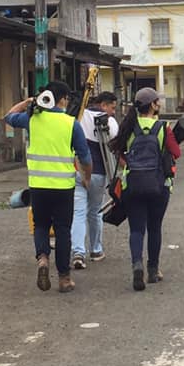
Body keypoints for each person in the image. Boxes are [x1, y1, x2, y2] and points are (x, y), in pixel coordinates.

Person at [5, 81, 92, 293]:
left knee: (41, 226)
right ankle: (64, 278)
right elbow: (85, 157)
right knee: (63, 230)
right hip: (63, 188)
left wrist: (27, 102)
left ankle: (43, 258)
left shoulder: (32, 119)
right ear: (62, 99)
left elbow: (8, 116)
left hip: (38, 186)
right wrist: (87, 178)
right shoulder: (71, 124)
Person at [110, 87, 181, 291]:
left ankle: (137, 265)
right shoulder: (163, 127)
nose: (159, 104)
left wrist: (129, 166)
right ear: (152, 105)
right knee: (154, 227)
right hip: (159, 185)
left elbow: (118, 152)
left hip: (133, 184)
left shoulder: (128, 126)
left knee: (136, 229)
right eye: (157, 101)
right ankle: (153, 270)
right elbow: (176, 152)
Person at [71, 91, 119, 269]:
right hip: (98, 173)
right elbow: (115, 147)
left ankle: (78, 252)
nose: (113, 112)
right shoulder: (110, 122)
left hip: (77, 171)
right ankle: (96, 250)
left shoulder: (80, 115)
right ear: (103, 105)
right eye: (112, 108)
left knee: (78, 212)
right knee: (95, 212)